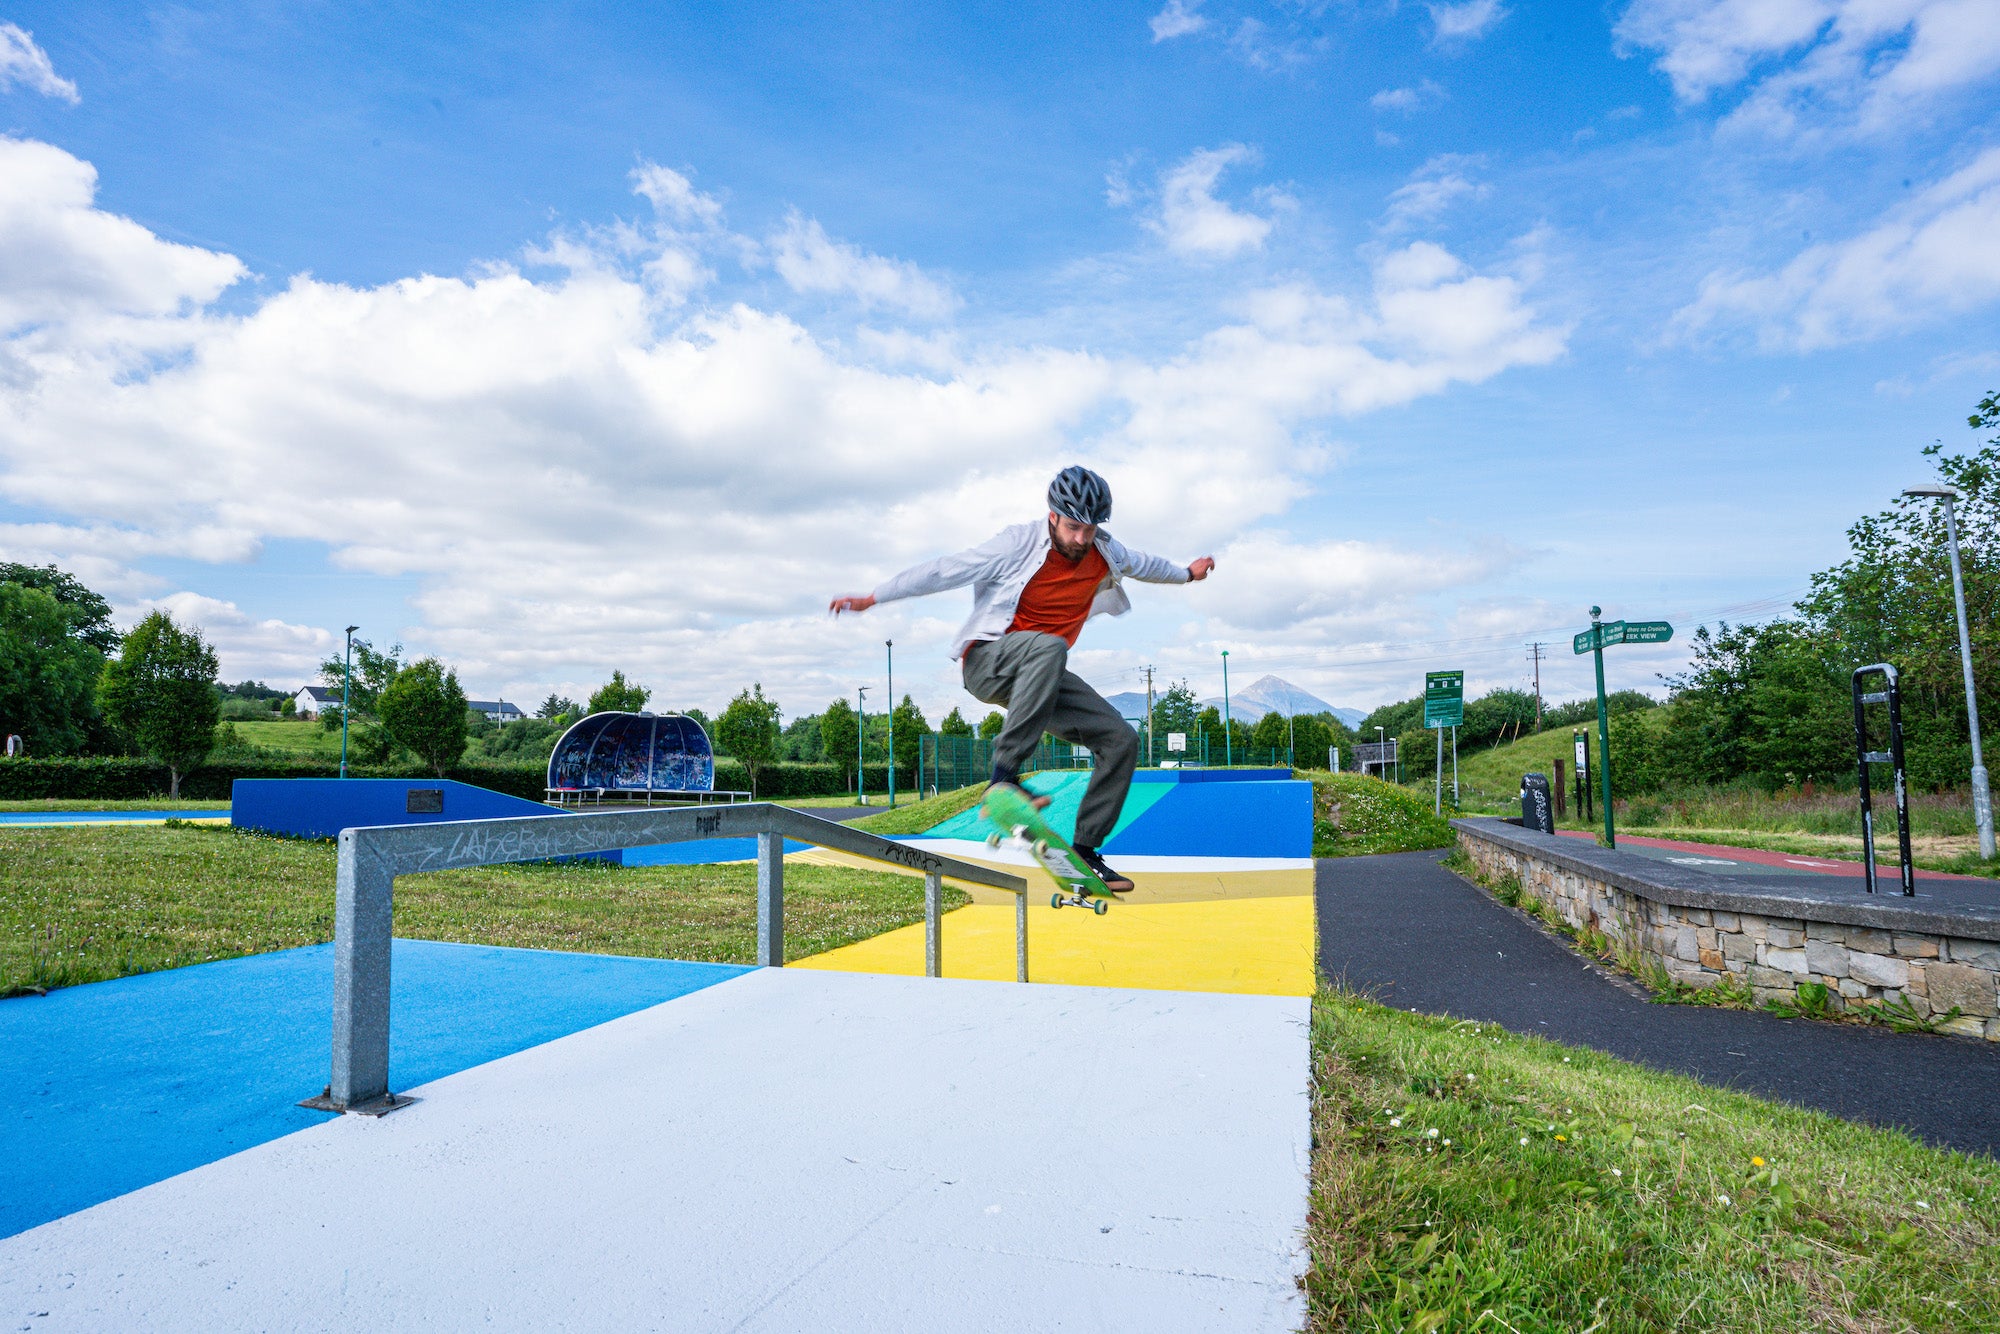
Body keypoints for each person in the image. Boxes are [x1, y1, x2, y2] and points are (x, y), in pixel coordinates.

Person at [829, 466, 1214, 891]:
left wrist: (1187, 573)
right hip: (989, 662)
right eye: (1072, 527)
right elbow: (945, 569)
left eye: (1089, 529)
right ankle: (1004, 779)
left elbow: (1147, 564)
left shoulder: (1106, 550)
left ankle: (1085, 853)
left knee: (1120, 738)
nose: (1081, 539)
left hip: (1039, 677)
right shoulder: (1017, 544)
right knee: (1051, 646)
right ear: (1052, 516)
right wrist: (875, 597)